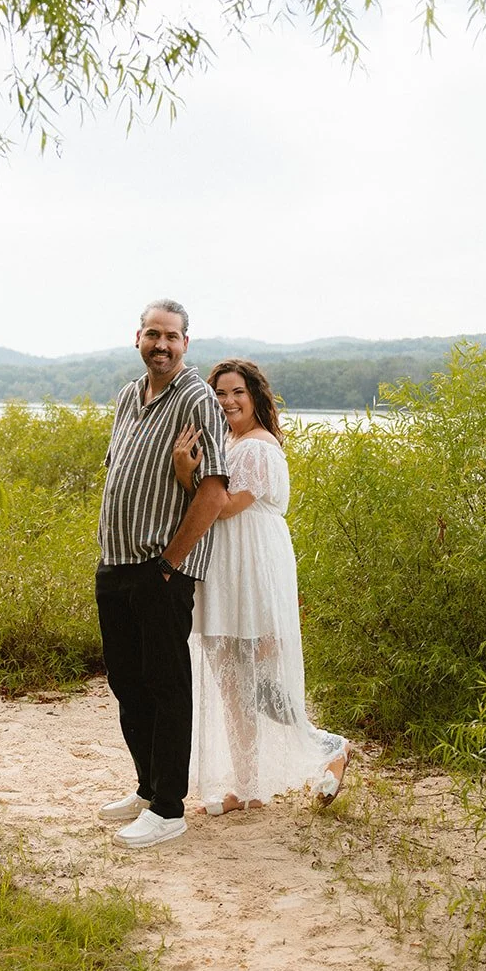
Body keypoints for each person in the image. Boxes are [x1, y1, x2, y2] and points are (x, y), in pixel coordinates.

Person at [172, 359, 349, 816]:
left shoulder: (256, 448)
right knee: (232, 685)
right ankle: (246, 785)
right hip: (226, 567)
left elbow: (226, 507)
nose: (228, 401)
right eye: (219, 395)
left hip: (253, 567)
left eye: (237, 393)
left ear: (255, 398)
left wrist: (186, 475)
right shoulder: (229, 442)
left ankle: (328, 746)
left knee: (261, 681)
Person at [95, 299, 230, 849]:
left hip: (160, 570)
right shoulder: (130, 396)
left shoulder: (197, 399)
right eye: (153, 334)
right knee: (127, 683)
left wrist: (170, 564)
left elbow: (215, 490)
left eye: (171, 336)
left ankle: (170, 809)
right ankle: (148, 789)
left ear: (186, 344)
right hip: (115, 565)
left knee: (166, 685)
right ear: (137, 338)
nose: (161, 345)